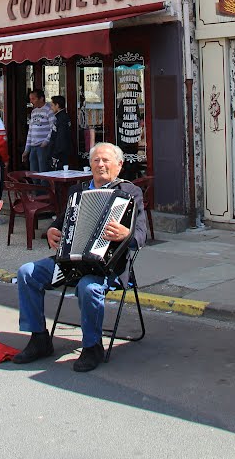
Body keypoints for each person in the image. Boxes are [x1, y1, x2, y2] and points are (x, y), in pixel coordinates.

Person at [13, 141, 146, 373]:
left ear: (119, 165)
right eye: (96, 160)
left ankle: (92, 346)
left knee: (87, 286)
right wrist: (52, 231)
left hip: (108, 267)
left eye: (106, 160)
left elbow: (141, 236)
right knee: (27, 273)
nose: (101, 165)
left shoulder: (130, 192)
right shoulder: (79, 191)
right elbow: (61, 222)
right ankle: (39, 339)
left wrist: (127, 234)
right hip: (71, 263)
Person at [22, 89, 54, 173]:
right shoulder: (33, 111)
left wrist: (46, 141)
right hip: (33, 146)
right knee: (33, 172)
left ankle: (44, 186)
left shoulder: (49, 110)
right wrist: (26, 150)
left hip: (42, 146)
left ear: (41, 98)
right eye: (30, 99)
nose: (31, 101)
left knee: (43, 172)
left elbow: (53, 128)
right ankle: (35, 186)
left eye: (33, 99)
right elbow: (30, 131)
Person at [47, 95, 71, 169]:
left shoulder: (61, 118)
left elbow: (61, 138)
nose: (51, 108)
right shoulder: (61, 117)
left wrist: (55, 154)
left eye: (52, 105)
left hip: (60, 154)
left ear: (57, 105)